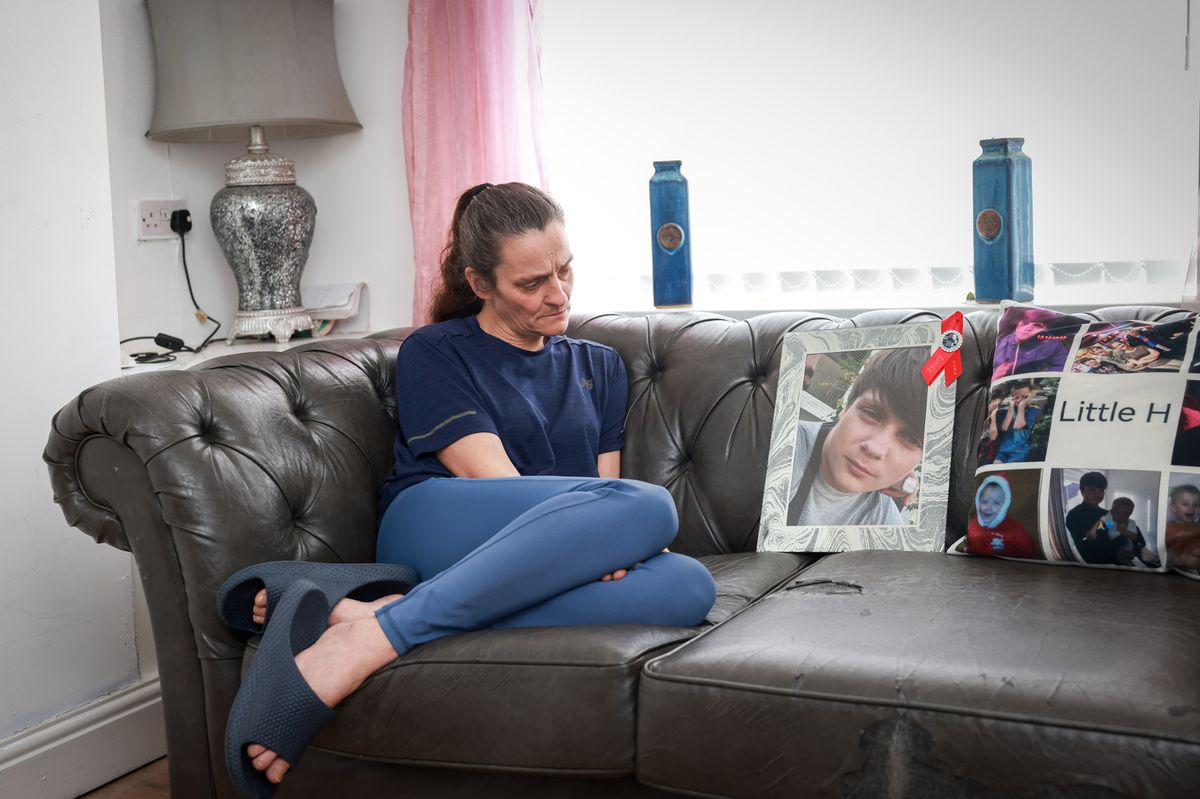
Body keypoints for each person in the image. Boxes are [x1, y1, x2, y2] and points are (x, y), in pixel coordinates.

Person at [225, 182, 717, 791]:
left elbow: (600, 484)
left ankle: (375, 615)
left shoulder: (600, 365)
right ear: (481, 284)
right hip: (440, 522)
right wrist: (599, 545)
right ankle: (368, 644)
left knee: (688, 586)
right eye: (531, 283)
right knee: (648, 505)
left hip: (540, 547)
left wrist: (608, 544)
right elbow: (497, 486)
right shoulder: (437, 351)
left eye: (564, 271)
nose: (558, 295)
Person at [785, 346, 925, 526]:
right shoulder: (788, 449)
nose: (875, 448)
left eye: (911, 439)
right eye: (871, 414)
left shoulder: (885, 523)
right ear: (846, 407)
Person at [991, 307, 1074, 380]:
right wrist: (995, 376)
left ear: (1045, 329)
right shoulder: (1002, 342)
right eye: (1024, 323)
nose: (1028, 328)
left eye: (1037, 325)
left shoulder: (1051, 343)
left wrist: (1042, 375)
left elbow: (1064, 365)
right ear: (1018, 324)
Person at [966, 474, 1036, 558]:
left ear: (1004, 505)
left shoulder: (1013, 528)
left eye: (996, 503)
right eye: (984, 502)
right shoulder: (973, 526)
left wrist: (1008, 548)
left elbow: (1029, 549)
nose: (988, 507)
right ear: (978, 502)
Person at [1065, 471, 1118, 564]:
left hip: (1116, 560)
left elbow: (1112, 532)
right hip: (1096, 564)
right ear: (1082, 491)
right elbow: (1084, 545)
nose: (1097, 494)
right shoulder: (1074, 515)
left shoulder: (1106, 513)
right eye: (1092, 489)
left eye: (1101, 490)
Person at [988, 381, 1041, 464]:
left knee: (1009, 467)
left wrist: (1021, 407)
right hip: (1004, 448)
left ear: (1029, 397)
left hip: (1020, 449)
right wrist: (1010, 409)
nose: (1020, 400)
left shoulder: (1033, 410)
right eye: (1016, 397)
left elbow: (1017, 426)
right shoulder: (1007, 409)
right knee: (996, 465)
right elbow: (1004, 427)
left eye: (1024, 397)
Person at [1107, 497, 1153, 567]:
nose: (1121, 517)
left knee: (1148, 558)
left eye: (1126, 515)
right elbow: (1108, 540)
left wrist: (1136, 550)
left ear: (1130, 513)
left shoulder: (1131, 523)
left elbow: (1141, 541)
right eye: (1118, 513)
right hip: (1117, 552)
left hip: (1133, 551)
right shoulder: (1109, 522)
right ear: (1112, 511)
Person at [1166, 484, 1200, 570]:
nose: (1191, 508)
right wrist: (1179, 559)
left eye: (1195, 505)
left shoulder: (1198, 527)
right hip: (1178, 573)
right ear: (1173, 508)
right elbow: (1162, 554)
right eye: (1185, 504)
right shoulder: (1167, 528)